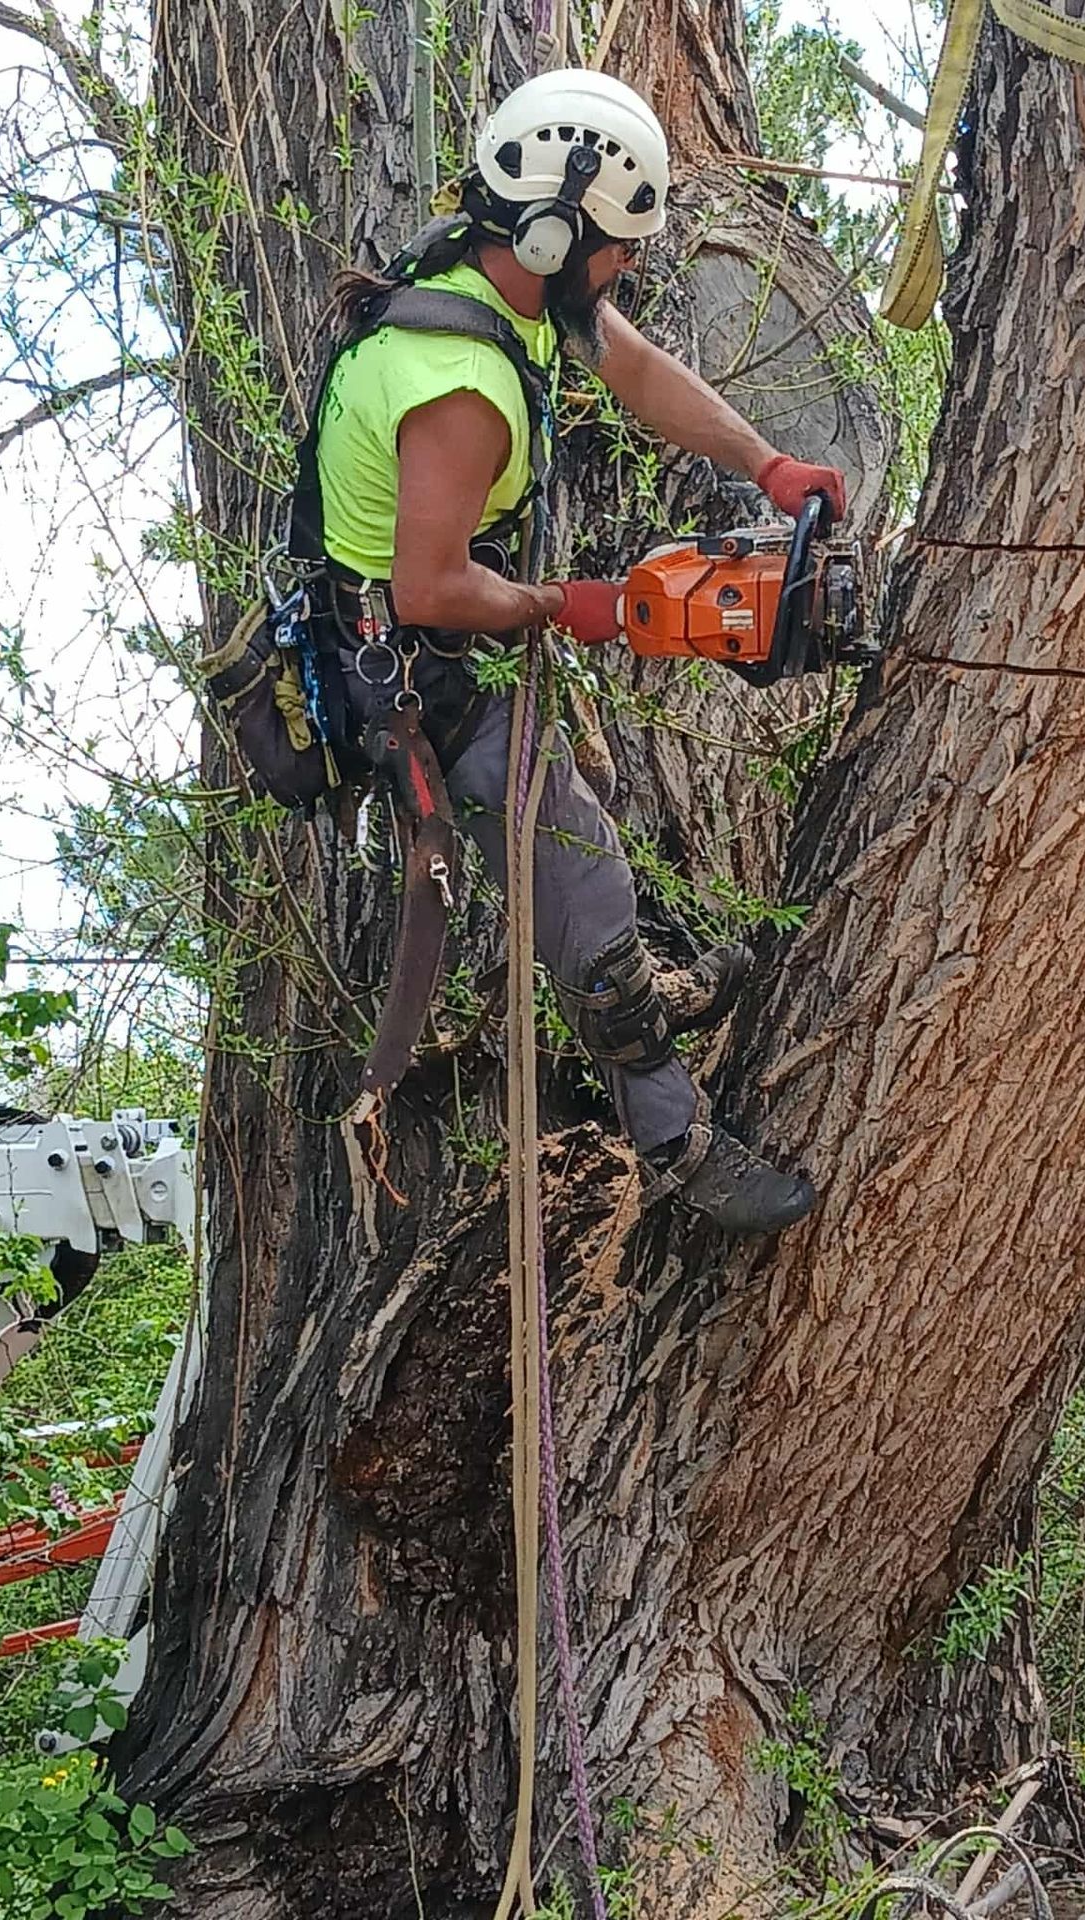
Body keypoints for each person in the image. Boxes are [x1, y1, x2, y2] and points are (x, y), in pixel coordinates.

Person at [313, 68, 847, 1236]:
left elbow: (636, 364)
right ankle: (676, 1140)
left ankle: (650, 985)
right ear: (556, 233)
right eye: (618, 249)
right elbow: (433, 585)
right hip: (411, 667)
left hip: (441, 632)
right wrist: (575, 603)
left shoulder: (498, 280)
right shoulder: (461, 389)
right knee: (580, 868)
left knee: (595, 794)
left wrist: (766, 465)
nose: (629, 269)